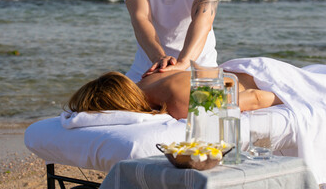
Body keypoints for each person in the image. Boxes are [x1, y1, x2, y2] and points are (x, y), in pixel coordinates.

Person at [120, 0, 222, 82]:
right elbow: (140, 17)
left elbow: (204, 18)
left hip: (199, 68)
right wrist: (159, 59)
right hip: (148, 67)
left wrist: (183, 63)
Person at [66, 68, 282, 120]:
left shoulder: (181, 102)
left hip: (273, 80)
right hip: (249, 69)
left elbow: (255, 98)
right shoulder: (147, 79)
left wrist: (295, 97)